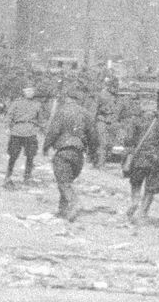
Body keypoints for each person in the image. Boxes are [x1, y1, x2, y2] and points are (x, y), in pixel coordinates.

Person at [123, 90, 159, 223]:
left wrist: (128, 156)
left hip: (139, 158)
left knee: (136, 183)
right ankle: (143, 212)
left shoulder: (135, 120)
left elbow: (128, 140)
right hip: (155, 159)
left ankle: (135, 201)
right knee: (151, 188)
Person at [43, 88, 95, 222]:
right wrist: (91, 153)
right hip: (78, 154)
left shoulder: (62, 112)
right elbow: (93, 136)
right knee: (66, 180)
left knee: (63, 182)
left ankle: (74, 203)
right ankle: (62, 210)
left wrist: (46, 146)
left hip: (64, 151)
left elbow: (53, 132)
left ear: (68, 98)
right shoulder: (86, 114)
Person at [3, 85, 42, 188]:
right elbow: (9, 116)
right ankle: (8, 176)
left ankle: (27, 177)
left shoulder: (37, 104)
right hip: (17, 132)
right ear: (24, 91)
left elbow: (40, 119)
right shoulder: (16, 103)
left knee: (31, 156)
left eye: (32, 90)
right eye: (28, 90)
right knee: (13, 155)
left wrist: (39, 128)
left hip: (30, 132)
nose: (30, 92)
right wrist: (7, 127)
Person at [93, 80, 123, 167]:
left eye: (116, 87)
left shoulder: (117, 97)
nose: (115, 89)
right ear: (109, 86)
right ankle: (100, 162)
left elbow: (118, 110)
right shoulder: (101, 95)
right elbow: (95, 108)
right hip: (102, 119)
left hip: (112, 121)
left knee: (111, 142)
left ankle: (106, 160)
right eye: (114, 86)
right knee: (102, 142)